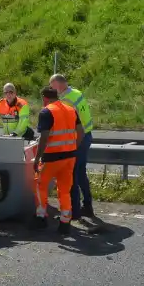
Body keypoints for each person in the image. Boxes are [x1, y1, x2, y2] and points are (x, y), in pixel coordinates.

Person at [32, 86, 85, 234]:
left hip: (51, 158)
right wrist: (73, 147)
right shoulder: (71, 110)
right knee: (64, 190)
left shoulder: (47, 111)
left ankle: (41, 217)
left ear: (44, 97)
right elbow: (81, 132)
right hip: (69, 157)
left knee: (39, 185)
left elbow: (44, 137)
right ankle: (64, 222)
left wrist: (37, 158)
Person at [50, 73, 97, 223]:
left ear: (58, 85)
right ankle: (87, 205)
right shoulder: (76, 93)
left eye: (52, 86)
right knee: (80, 172)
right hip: (87, 135)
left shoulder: (66, 100)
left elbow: (70, 123)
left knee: (73, 174)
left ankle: (75, 211)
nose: (52, 90)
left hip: (79, 139)